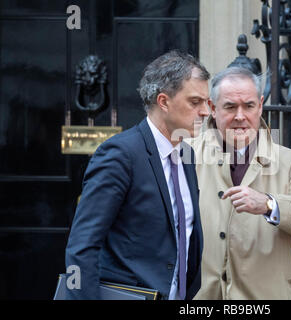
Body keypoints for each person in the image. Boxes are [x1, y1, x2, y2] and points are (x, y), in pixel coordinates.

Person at [64, 50, 210, 300]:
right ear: (163, 101)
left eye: (207, 102)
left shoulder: (187, 155)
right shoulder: (120, 154)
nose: (206, 112)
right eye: (195, 102)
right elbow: (82, 246)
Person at [191, 67, 291, 300]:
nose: (240, 116)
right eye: (230, 107)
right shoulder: (187, 155)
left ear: (260, 105)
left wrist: (269, 204)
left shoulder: (289, 161)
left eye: (249, 105)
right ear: (213, 108)